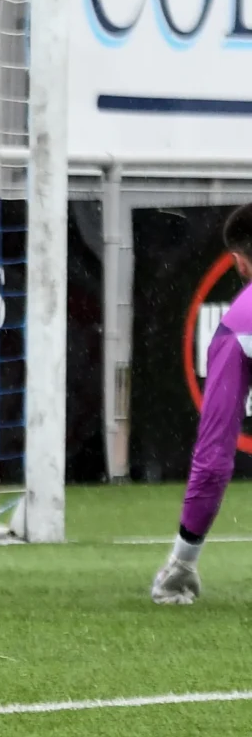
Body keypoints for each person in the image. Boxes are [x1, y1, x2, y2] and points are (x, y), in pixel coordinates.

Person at [153, 203, 252, 605]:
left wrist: (183, 563)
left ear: (239, 262)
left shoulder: (238, 325)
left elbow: (213, 460)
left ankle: (177, 571)